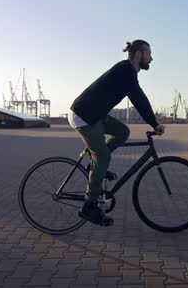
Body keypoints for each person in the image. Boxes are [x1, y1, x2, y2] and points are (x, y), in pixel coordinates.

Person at [68, 40, 165, 226]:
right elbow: (139, 98)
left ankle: (94, 168)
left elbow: (138, 97)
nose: (151, 58)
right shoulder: (125, 70)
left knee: (122, 132)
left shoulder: (127, 71)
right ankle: (89, 207)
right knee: (102, 157)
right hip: (84, 115)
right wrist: (154, 123)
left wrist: (153, 121)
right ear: (138, 54)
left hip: (95, 115)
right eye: (149, 54)